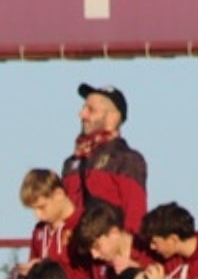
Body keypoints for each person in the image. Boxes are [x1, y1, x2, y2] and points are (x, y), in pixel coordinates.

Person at [61, 83, 147, 234]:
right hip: (73, 254)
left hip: (108, 253)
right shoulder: (72, 162)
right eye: (83, 108)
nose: (82, 114)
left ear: (113, 117)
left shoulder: (127, 159)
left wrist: (126, 253)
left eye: (90, 110)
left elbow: (135, 219)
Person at [16, 168, 92, 279]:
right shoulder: (40, 231)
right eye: (33, 209)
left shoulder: (84, 226)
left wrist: (48, 272)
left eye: (42, 207)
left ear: (59, 194)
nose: (38, 215)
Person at [75, 202, 152, 279]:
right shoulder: (99, 264)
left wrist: (139, 271)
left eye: (97, 246)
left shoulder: (148, 250)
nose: (94, 255)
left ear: (114, 233)